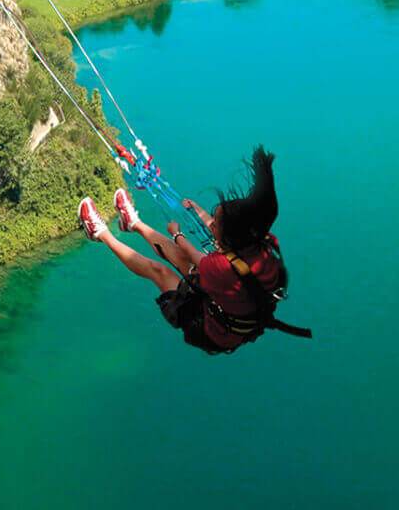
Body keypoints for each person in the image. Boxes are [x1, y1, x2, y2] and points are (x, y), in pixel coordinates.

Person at [77, 146, 309, 354]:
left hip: (209, 329)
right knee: (184, 261)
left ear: (228, 237)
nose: (210, 224)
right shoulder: (261, 242)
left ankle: (99, 233)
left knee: (162, 271)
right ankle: (133, 224)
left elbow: (190, 254)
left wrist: (176, 234)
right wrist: (197, 210)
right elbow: (214, 230)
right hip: (231, 305)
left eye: (215, 224)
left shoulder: (220, 267)